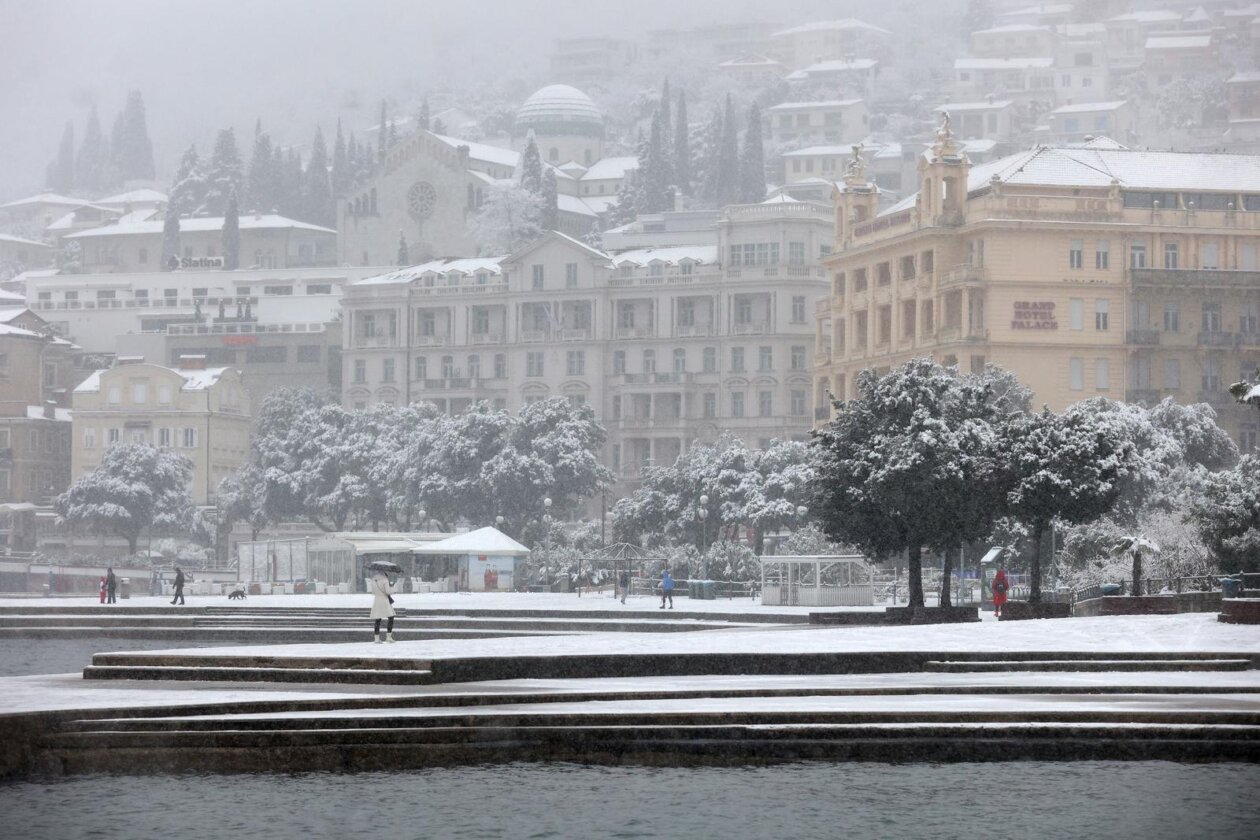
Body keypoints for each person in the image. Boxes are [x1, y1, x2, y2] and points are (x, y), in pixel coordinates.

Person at [369, 570, 396, 643]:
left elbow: (373, 592)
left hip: (377, 601)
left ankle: (376, 638)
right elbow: (388, 592)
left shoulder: (373, 580)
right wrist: (392, 587)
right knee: (391, 617)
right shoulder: (385, 580)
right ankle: (388, 637)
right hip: (384, 600)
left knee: (378, 619)